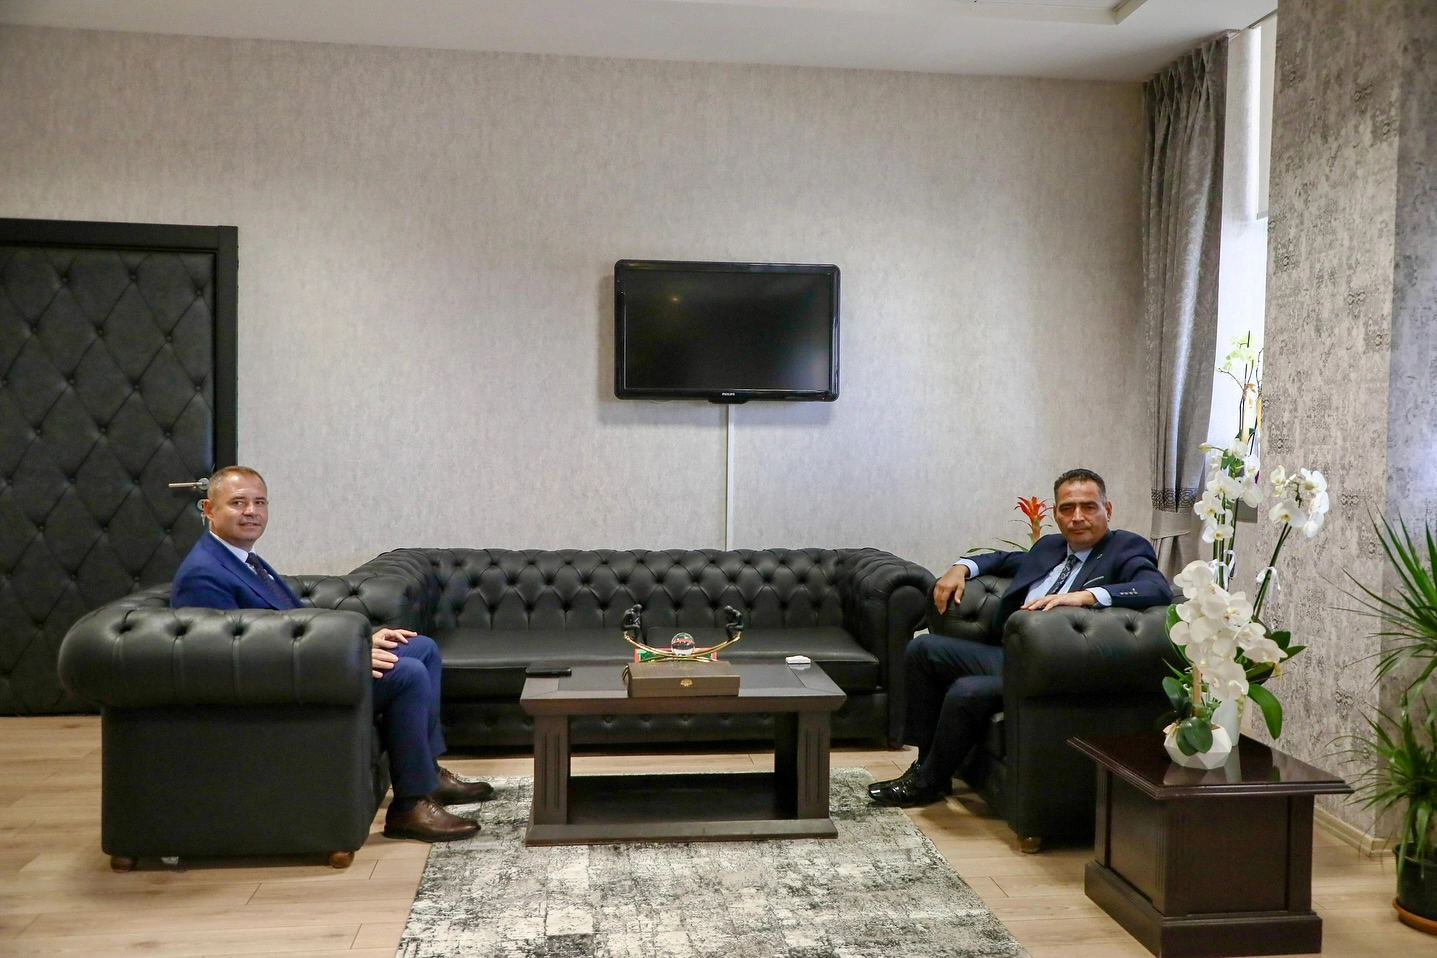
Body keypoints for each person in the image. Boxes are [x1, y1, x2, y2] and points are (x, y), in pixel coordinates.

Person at [171, 465, 491, 843]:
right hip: (278, 690)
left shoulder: (242, 558)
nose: (251, 512)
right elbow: (232, 660)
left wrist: (360, 641)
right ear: (209, 509)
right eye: (238, 503)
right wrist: (345, 660)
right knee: (407, 675)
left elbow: (292, 625)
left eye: (260, 502)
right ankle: (410, 806)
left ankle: (428, 773)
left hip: (299, 666)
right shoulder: (204, 574)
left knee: (421, 649)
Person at [869, 468, 1172, 808]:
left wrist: (1087, 596)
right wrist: (960, 568)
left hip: (1055, 667)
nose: (1077, 517)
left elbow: (1155, 587)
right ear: (1055, 513)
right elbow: (1000, 559)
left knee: (967, 690)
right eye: (1067, 508)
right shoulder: (1050, 547)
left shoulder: (1124, 548)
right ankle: (925, 765)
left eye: (1089, 507)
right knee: (922, 648)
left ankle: (929, 782)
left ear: (1108, 510)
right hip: (1010, 653)